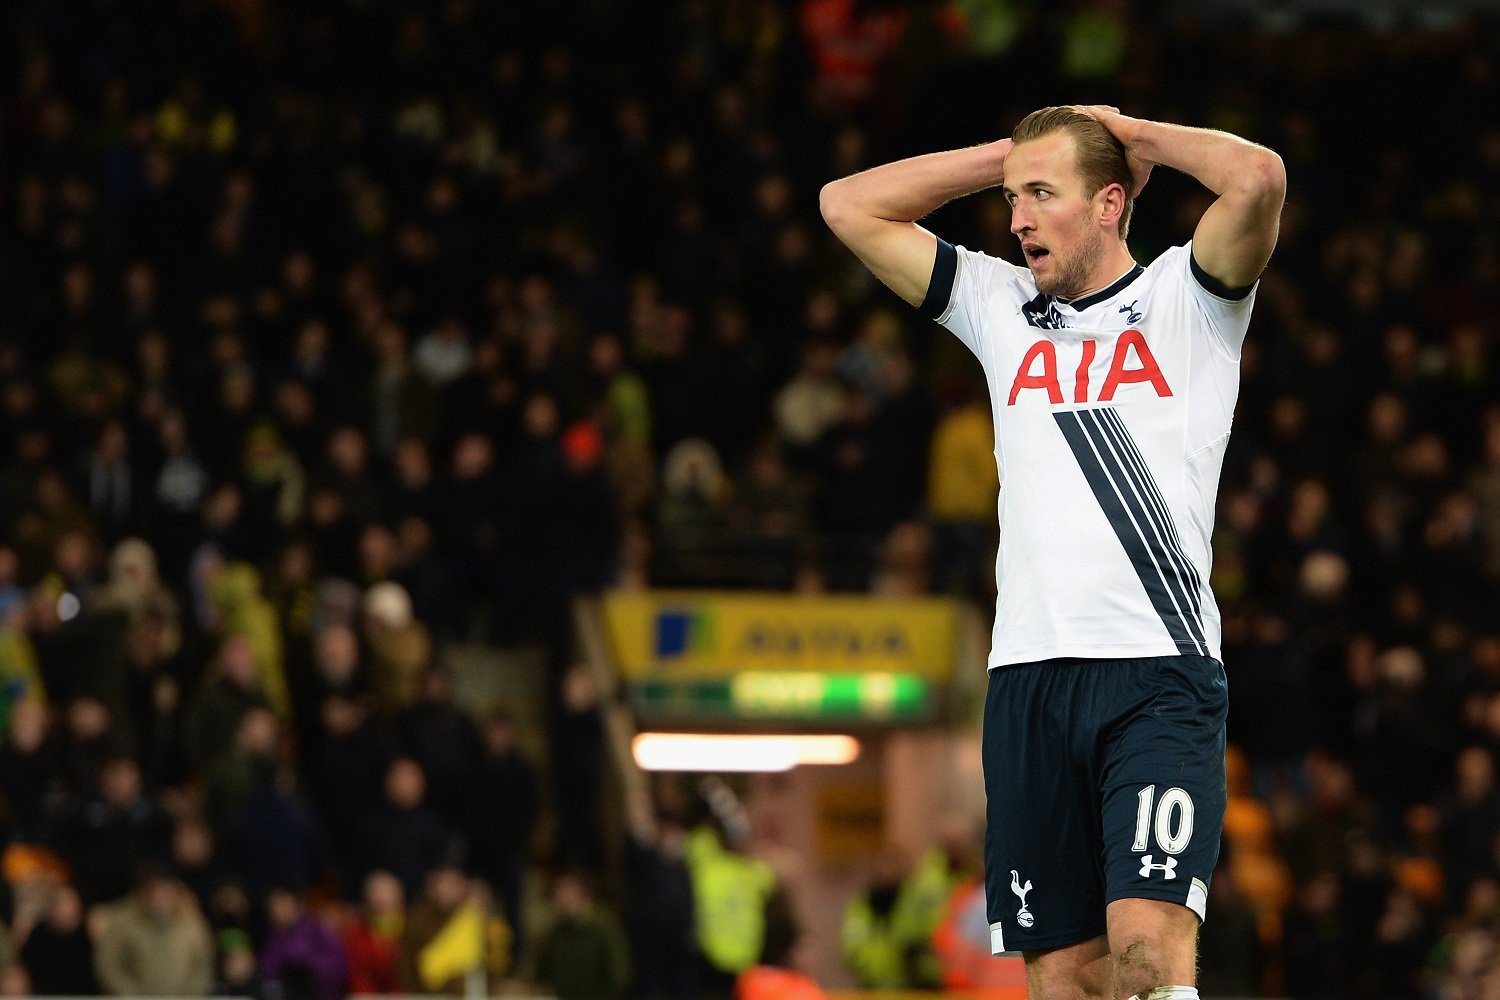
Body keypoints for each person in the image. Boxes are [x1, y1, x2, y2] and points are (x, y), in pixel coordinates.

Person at [821, 104, 1285, 1000]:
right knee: (1064, 978)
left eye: (1042, 194)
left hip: (1157, 672)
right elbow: (848, 205)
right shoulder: (1001, 307)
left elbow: (1259, 177)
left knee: (1147, 956)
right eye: (1010, 199)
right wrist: (1008, 154)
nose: (1017, 217)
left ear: (1112, 203)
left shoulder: (1190, 299)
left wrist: (1132, 136)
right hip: (1027, 679)